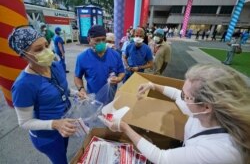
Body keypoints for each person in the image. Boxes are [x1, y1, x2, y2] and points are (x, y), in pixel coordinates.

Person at [99, 63, 250, 164]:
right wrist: (152, 85)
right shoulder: (206, 113)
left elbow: (161, 158)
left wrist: (124, 127)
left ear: (206, 106)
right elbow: (178, 95)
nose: (182, 97)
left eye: (186, 95)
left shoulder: (222, 150)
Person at [8, 25, 83, 164]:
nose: (47, 51)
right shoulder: (23, 85)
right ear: (24, 55)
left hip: (64, 126)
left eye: (47, 45)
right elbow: (24, 122)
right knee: (60, 160)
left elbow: (62, 89)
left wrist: (77, 93)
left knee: (64, 151)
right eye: (38, 49)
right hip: (48, 137)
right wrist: (55, 124)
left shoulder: (54, 65)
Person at [74, 25, 125, 104]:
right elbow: (77, 77)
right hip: (93, 100)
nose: (101, 43)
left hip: (111, 98)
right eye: (97, 40)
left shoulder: (115, 55)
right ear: (89, 40)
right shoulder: (82, 58)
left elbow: (121, 72)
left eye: (103, 40)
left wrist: (119, 79)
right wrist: (81, 89)